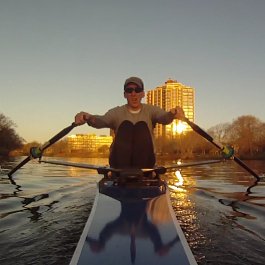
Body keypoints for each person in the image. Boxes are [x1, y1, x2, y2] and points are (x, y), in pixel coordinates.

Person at [74, 76, 186, 168]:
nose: (133, 93)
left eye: (137, 90)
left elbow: (164, 118)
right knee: (126, 126)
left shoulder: (151, 110)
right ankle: (122, 172)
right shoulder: (116, 112)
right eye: (129, 90)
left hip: (145, 163)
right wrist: (88, 117)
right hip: (119, 164)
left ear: (142, 94)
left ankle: (143, 173)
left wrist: (172, 114)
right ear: (124, 94)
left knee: (141, 126)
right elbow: (100, 121)